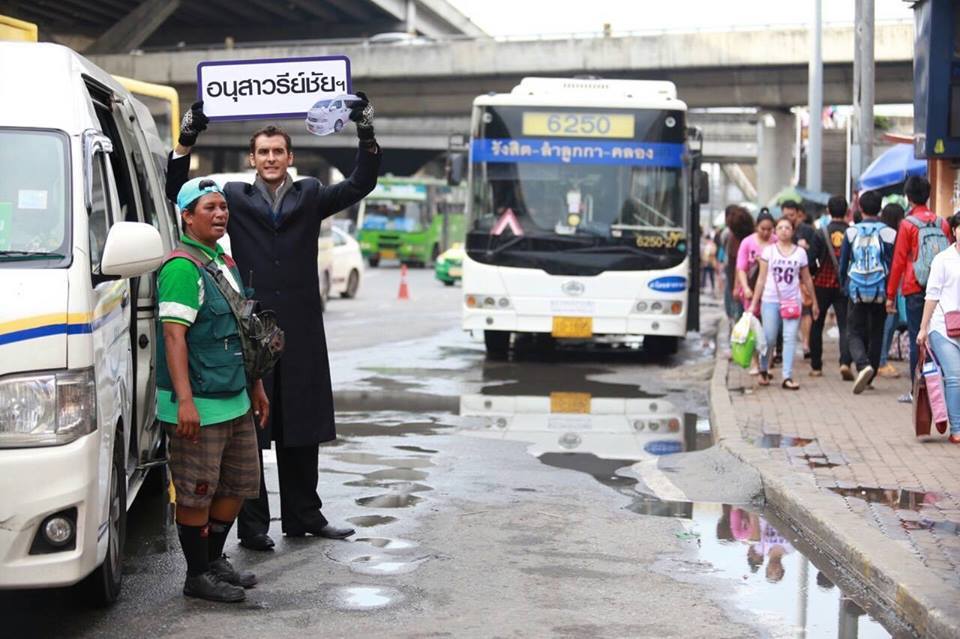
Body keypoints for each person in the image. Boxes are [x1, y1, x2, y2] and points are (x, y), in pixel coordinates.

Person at [166, 97, 381, 551]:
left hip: (301, 327)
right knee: (250, 430)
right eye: (262, 152)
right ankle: (253, 525)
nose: (270, 159)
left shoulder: (310, 194)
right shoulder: (234, 199)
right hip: (248, 329)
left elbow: (362, 182)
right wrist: (188, 137)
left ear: (290, 157)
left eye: (277, 152)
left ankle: (305, 514)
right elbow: (178, 192)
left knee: (302, 422)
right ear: (252, 159)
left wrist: (364, 128)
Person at [157, 178, 271, 602]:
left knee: (238, 486)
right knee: (196, 492)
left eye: (223, 207)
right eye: (209, 208)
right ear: (187, 216)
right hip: (198, 405)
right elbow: (174, 338)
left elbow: (244, 330)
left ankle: (212, 560)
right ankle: (196, 575)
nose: (221, 214)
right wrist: (184, 401)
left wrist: (256, 385)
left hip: (235, 397)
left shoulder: (223, 260)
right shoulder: (182, 268)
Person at [886, 176, 950, 402]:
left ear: (908, 197)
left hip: (915, 286)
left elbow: (899, 261)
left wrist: (890, 295)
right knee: (940, 337)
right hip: (941, 289)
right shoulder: (942, 223)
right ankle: (942, 387)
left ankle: (917, 391)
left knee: (918, 338)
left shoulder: (907, 224)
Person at [750, 216, 819, 389]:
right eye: (780, 227)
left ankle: (787, 376)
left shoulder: (800, 253)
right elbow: (761, 279)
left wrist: (814, 302)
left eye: (787, 227)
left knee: (789, 338)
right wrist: (753, 304)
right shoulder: (768, 251)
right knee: (769, 337)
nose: (783, 230)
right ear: (775, 231)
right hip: (771, 299)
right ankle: (764, 368)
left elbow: (807, 279)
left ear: (792, 231)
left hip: (793, 301)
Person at [839, 190, 897, 394]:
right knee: (876, 332)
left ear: (860, 209)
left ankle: (863, 365)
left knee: (854, 330)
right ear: (879, 207)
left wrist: (843, 285)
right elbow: (893, 263)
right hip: (880, 289)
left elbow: (844, 262)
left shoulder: (851, 232)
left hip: (856, 289)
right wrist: (891, 292)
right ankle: (870, 377)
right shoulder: (889, 232)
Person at [916, 211, 960, 444]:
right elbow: (931, 296)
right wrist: (923, 329)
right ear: (954, 231)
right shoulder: (943, 259)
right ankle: (957, 429)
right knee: (954, 377)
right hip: (943, 328)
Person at [809, 194, 853, 379]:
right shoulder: (852, 233)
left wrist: (812, 274)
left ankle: (817, 366)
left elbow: (811, 260)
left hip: (821, 284)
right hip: (844, 285)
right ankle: (844, 363)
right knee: (845, 326)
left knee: (817, 324)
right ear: (847, 211)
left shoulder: (820, 233)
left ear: (828, 211)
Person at [782, 200, 819, 358]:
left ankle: (805, 343)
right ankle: (783, 346)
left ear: (799, 214)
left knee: (805, 311)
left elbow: (814, 254)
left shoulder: (808, 231)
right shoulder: (780, 231)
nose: (788, 218)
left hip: (803, 278)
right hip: (785, 280)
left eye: (791, 215)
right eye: (785, 215)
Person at [878, 202, 907, 378]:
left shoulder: (879, 233)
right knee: (889, 324)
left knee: (884, 323)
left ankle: (879, 360)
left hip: (876, 283)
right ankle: (881, 361)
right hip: (891, 285)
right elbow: (898, 262)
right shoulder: (895, 235)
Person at [722, 205, 755, 320]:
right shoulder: (736, 238)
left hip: (741, 284)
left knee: (738, 316)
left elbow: (737, 266)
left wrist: (735, 287)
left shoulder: (734, 239)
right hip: (747, 284)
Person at [700, 228, 717, 294]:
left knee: (711, 275)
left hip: (711, 263)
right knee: (704, 275)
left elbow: (713, 252)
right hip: (705, 262)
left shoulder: (712, 245)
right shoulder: (705, 245)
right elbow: (703, 254)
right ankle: (703, 287)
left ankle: (713, 288)